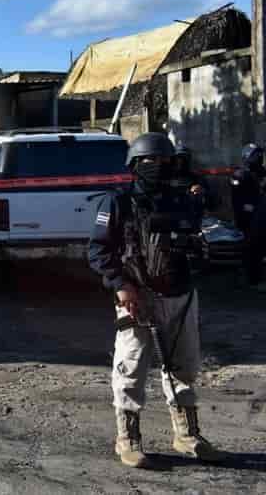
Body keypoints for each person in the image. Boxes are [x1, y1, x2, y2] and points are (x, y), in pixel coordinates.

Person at [89, 133, 223, 468]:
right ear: (134, 165)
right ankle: (128, 438)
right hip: (138, 296)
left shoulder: (180, 199)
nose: (156, 166)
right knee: (131, 367)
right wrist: (121, 286)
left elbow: (207, 215)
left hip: (180, 295)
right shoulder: (118, 202)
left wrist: (201, 193)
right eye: (148, 161)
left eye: (163, 160)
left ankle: (187, 434)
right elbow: (98, 251)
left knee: (185, 367)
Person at [232, 143, 266, 290]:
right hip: (249, 218)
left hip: (261, 217)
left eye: (260, 155)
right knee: (252, 247)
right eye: (255, 155)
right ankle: (252, 280)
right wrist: (250, 211)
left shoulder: (262, 173)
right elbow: (238, 200)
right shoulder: (240, 174)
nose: (258, 158)